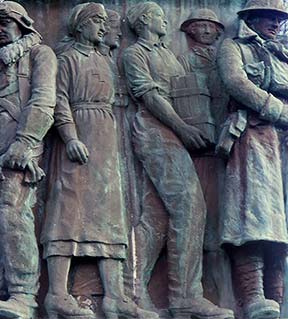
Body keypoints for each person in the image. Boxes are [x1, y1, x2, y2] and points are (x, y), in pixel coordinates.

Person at [40, 3, 159, 319]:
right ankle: (56, 294)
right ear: (81, 26)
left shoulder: (106, 60)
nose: (103, 28)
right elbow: (58, 99)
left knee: (110, 216)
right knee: (67, 210)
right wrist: (70, 136)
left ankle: (115, 297)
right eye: (97, 22)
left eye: (104, 23)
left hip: (108, 140)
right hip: (80, 136)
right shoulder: (67, 59)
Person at [123, 2, 234, 319]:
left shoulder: (169, 56)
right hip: (155, 132)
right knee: (190, 206)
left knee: (157, 217)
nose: (164, 20)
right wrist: (183, 128)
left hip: (175, 133)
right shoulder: (135, 55)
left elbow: (186, 92)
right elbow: (151, 97)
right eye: (159, 16)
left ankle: (131, 289)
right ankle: (184, 296)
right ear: (145, 20)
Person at [217, 0, 288, 318]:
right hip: (252, 136)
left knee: (281, 225)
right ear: (252, 19)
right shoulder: (234, 48)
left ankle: (277, 297)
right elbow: (236, 82)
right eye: (269, 17)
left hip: (282, 143)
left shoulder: (282, 55)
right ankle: (254, 296)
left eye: (279, 19)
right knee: (254, 218)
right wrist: (279, 110)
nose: (275, 24)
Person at [0, 2, 57, 318]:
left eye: (4, 21)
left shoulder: (39, 54)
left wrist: (24, 142)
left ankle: (23, 296)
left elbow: (43, 100)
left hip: (21, 147)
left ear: (22, 24)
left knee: (13, 213)